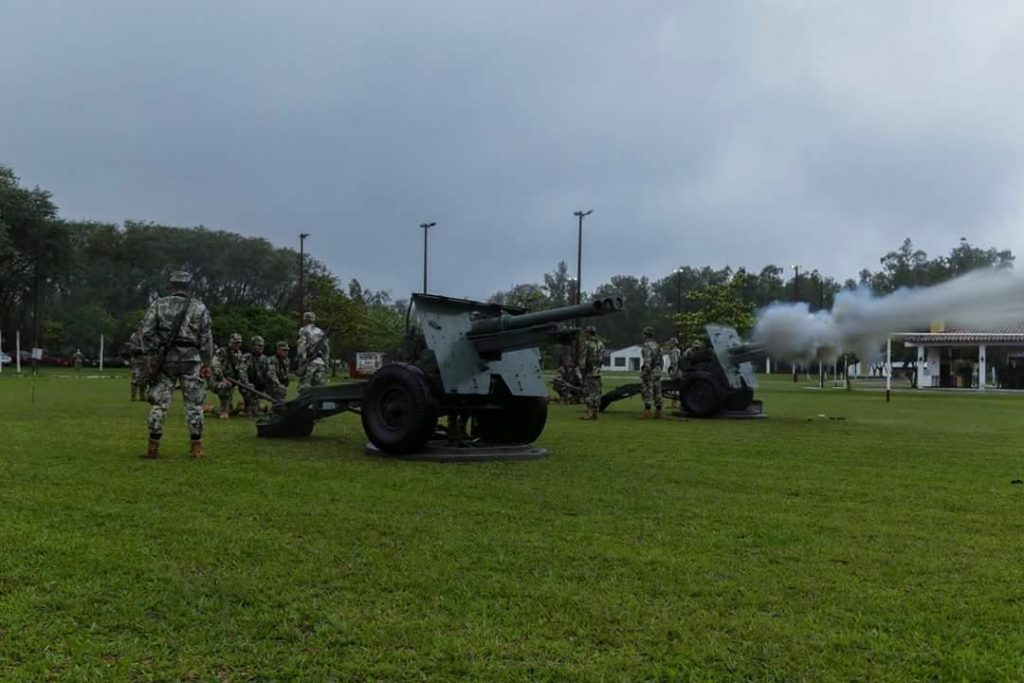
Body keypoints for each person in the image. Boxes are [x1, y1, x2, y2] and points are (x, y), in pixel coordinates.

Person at [139, 271, 213, 459]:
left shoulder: (158, 304)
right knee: (194, 404)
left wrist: (150, 358)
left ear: (171, 286)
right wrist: (206, 362)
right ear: (188, 287)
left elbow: (147, 332)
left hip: (166, 359)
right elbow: (206, 337)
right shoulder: (199, 307)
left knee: (160, 403)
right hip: (191, 359)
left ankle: (153, 447)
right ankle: (196, 446)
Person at [211, 333, 245, 419]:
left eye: (239, 343)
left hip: (231, 382)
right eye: (235, 343)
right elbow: (215, 365)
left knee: (231, 412)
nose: (237, 345)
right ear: (230, 342)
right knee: (224, 386)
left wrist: (244, 382)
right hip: (217, 381)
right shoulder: (221, 351)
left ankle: (214, 408)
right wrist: (223, 379)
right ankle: (222, 411)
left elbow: (241, 370)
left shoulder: (239, 354)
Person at [296, 311, 330, 390]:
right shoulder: (321, 332)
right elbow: (327, 349)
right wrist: (326, 363)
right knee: (320, 390)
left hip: (309, 363)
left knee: (304, 389)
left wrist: (302, 363)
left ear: (305, 320)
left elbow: (301, 348)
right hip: (320, 363)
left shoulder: (303, 330)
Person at [579, 326, 604, 420]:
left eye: (586, 332)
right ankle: (596, 412)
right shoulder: (600, 344)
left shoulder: (587, 344)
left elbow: (583, 358)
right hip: (598, 371)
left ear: (589, 333)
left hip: (589, 371)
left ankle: (589, 412)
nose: (585, 334)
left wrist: (582, 371)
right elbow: (602, 358)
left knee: (588, 392)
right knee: (597, 392)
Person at [639, 326, 663, 419]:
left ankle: (647, 412)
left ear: (645, 334)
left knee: (648, 391)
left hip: (650, 371)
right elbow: (661, 360)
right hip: (657, 370)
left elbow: (647, 361)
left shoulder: (646, 346)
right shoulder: (657, 345)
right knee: (658, 391)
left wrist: (645, 373)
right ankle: (658, 412)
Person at [242, 335, 267, 416]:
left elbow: (270, 373)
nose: (261, 347)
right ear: (253, 346)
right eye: (259, 345)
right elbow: (242, 372)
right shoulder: (246, 357)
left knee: (277, 389)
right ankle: (246, 407)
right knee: (253, 413)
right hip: (249, 386)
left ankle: (265, 408)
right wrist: (247, 383)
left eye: (262, 346)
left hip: (261, 386)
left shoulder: (265, 359)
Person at [128, 329, 149, 401]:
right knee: (135, 379)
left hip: (145, 360)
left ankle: (142, 396)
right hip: (136, 360)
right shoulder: (134, 337)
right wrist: (141, 349)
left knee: (144, 379)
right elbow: (132, 348)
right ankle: (133, 397)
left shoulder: (146, 336)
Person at [664, 337, 681, 409]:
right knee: (675, 388)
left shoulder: (675, 351)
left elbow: (675, 362)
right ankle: (674, 403)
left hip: (675, 370)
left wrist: (674, 372)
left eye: (671, 343)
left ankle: (675, 403)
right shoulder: (676, 351)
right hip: (675, 370)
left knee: (676, 387)